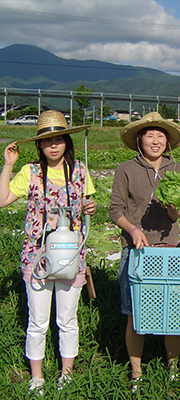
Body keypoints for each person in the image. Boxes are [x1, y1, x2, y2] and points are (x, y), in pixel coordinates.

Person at [0, 110, 96, 393]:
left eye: (58, 139)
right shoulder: (30, 171)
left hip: (71, 254)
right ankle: (37, 376)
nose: (53, 145)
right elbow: (3, 200)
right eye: (46, 140)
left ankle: (66, 374)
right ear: (39, 145)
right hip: (37, 255)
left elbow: (88, 207)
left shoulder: (79, 170)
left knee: (67, 319)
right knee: (38, 321)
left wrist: (90, 208)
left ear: (66, 140)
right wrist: (8, 165)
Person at [109, 111, 180, 392]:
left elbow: (176, 217)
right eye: (150, 135)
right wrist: (132, 229)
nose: (155, 141)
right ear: (140, 139)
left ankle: (173, 369)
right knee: (135, 313)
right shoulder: (126, 169)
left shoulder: (177, 170)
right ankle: (136, 372)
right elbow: (115, 209)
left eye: (161, 135)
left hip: (170, 248)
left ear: (167, 141)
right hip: (137, 251)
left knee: (173, 311)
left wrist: (172, 207)